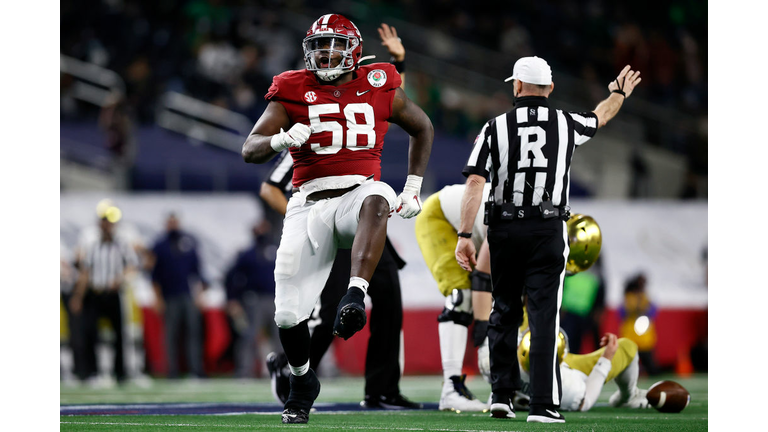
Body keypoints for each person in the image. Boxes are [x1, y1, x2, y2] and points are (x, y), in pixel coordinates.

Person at [241, 14, 433, 424]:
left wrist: (413, 188)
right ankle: (301, 378)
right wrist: (279, 139)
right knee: (288, 315)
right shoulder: (292, 89)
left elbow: (420, 124)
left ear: (354, 52)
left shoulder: (378, 80)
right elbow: (250, 148)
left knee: (379, 194)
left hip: (359, 197)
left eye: (334, 46)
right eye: (319, 47)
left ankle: (356, 296)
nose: (326, 55)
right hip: (309, 203)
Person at [455, 56, 641, 423]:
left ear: (517, 86)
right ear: (550, 89)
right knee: (543, 318)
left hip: (505, 228)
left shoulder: (495, 127)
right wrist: (619, 93)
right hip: (548, 228)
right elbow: (601, 115)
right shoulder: (567, 123)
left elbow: (475, 181)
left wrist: (464, 234)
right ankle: (542, 405)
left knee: (503, 310)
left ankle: (501, 396)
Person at [261, 149, 419, 410]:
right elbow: (270, 188)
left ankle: (382, 390)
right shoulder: (309, 138)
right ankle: (291, 369)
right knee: (330, 309)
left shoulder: (356, 135)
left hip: (362, 224)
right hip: (324, 225)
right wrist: (307, 220)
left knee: (389, 295)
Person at [414, 182, 494, 412]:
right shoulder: (509, 213)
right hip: (440, 219)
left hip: (477, 234)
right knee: (462, 296)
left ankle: (516, 386)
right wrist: (483, 329)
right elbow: (483, 277)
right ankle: (451, 387)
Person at [69, 203, 139, 385]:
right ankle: (91, 372)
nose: (107, 226)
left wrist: (121, 278)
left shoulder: (122, 245)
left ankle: (120, 373)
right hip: (95, 293)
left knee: (119, 334)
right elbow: (85, 273)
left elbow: (131, 266)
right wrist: (78, 297)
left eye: (110, 223)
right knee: (89, 333)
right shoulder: (92, 246)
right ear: (100, 224)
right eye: (104, 222)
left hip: (113, 294)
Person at [518, 330, 650, 412]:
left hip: (518, 369)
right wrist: (606, 358)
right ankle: (628, 396)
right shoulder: (565, 385)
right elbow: (585, 401)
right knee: (627, 346)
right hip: (564, 371)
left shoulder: (502, 362)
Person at [149, 213, 208, 379]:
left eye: (175, 221)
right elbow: (154, 276)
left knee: (193, 333)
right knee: (171, 334)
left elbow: (197, 271)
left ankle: (196, 370)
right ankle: (172, 371)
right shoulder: (159, 245)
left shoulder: (188, 243)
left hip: (188, 294)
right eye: (170, 222)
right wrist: (157, 298)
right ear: (166, 224)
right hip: (169, 296)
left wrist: (199, 295)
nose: (173, 225)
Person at [224, 220, 281, 378]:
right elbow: (231, 277)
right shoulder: (247, 253)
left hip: (277, 299)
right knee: (249, 336)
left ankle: (284, 370)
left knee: (282, 337)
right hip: (254, 300)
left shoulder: (278, 250)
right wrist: (232, 298)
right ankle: (244, 370)